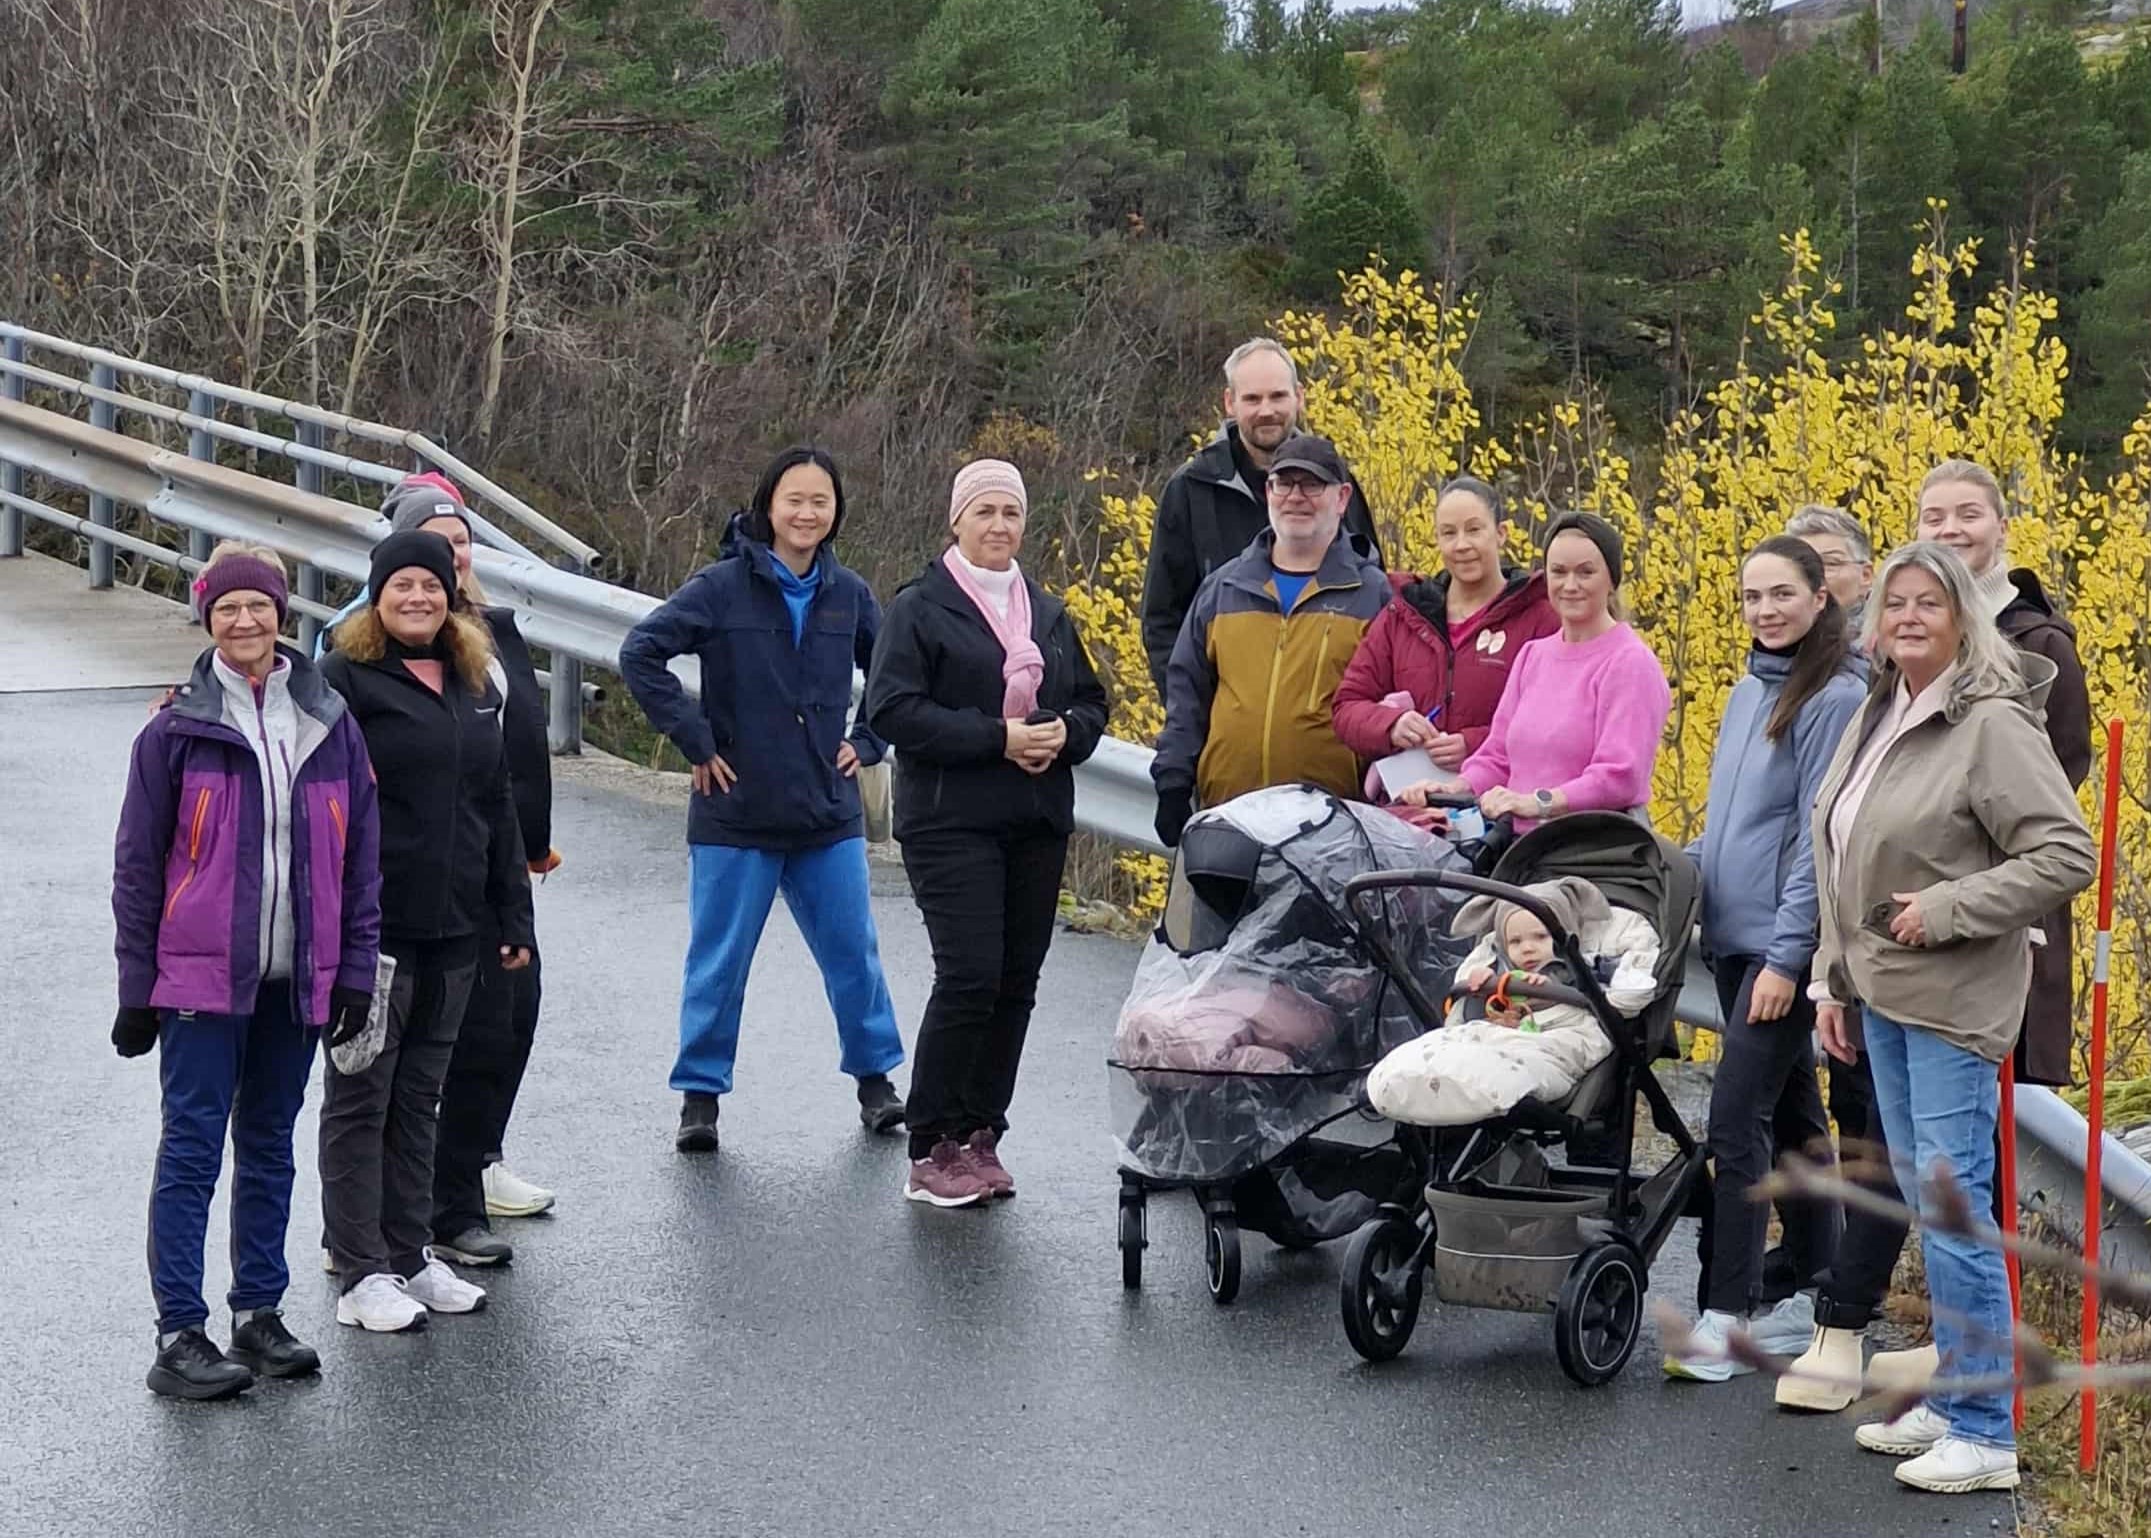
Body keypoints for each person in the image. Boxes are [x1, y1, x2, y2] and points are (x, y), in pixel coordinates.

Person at [1808, 541, 2093, 1494]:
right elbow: (1840, 852)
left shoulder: (1991, 723)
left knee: (1953, 1203)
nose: (1910, 618)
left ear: (1964, 616)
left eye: (1931, 602)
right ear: (1875, 623)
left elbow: (2062, 854)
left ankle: (1985, 1433)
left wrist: (1947, 909)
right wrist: (1831, 979)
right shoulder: (1880, 709)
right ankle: (1957, 1392)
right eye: (1895, 605)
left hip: (1951, 999)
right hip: (1881, 995)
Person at [112, 542, 381, 1399]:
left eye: (257, 605)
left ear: (282, 612)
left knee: (269, 1144)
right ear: (207, 618)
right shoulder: (174, 730)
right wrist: (135, 985)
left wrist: (352, 971)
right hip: (198, 978)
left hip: (296, 976)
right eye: (226, 607)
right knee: (192, 1150)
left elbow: (361, 858)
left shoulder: (329, 722)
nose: (243, 620)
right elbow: (138, 866)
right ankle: (179, 1332)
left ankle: (257, 1313)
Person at [618, 447, 907, 1155]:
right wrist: (695, 739)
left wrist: (867, 741)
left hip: (823, 813)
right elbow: (641, 652)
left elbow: (897, 675)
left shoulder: (851, 595)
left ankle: (877, 1085)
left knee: (853, 956)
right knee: (718, 962)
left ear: (836, 512)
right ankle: (700, 1099)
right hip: (735, 811)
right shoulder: (720, 587)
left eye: (820, 501)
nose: (807, 513)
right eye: (794, 500)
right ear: (766, 505)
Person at [862, 458, 1108, 1207]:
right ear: (956, 521)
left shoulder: (1048, 609)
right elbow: (892, 711)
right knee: (968, 974)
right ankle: (932, 1143)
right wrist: (995, 738)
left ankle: (980, 1135)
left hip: (1034, 821)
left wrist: (1064, 732)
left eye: (1011, 513)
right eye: (985, 512)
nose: (999, 526)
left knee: (1014, 984)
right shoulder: (920, 606)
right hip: (949, 819)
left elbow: (1095, 706)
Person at [318, 531, 535, 1331]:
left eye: (432, 586)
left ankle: (410, 1255)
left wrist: (512, 911)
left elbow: (496, 803)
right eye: (402, 585)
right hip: (371, 929)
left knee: (420, 1097)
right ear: (377, 596)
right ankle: (357, 1266)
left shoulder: (473, 679)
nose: (418, 598)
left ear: (451, 595)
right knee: (359, 1096)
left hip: (457, 927)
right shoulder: (342, 679)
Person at [1665, 537, 1865, 1383]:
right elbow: (1735, 825)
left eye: (1781, 594)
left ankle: (1727, 1310)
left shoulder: (1834, 697)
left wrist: (1790, 960)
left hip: (1780, 955)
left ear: (1821, 598)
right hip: (1733, 941)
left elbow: (1816, 849)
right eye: (1750, 597)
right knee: (1793, 1123)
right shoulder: (1750, 690)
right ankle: (1814, 1291)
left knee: (1733, 1118)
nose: (1764, 610)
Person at [1150, 433, 1389, 848]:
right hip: (1227, 817)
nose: (1296, 496)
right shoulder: (1223, 588)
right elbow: (1186, 692)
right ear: (1269, 492)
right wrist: (1173, 780)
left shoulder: (1374, 596)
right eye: (1284, 483)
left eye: (1312, 484)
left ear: (1342, 497)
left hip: (1331, 833)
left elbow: (1390, 709)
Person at [1400, 512, 1669, 833]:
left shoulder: (1630, 663)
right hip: (1520, 847)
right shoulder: (1533, 655)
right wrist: (1457, 787)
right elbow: (1497, 757)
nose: (1570, 585)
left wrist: (1536, 802)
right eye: (1559, 572)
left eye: (1585, 572)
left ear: (1611, 579)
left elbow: (1620, 776)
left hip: (1590, 853)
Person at [1140, 339, 1381, 695]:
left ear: (1299, 396)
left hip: (1327, 720)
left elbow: (1374, 597)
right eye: (1252, 399)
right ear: (1229, 403)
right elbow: (1162, 619)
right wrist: (1191, 713)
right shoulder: (1192, 489)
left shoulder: (1336, 484)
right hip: (1225, 723)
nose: (1266, 410)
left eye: (1278, 396)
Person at [1331, 476, 1560, 784]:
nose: (1462, 544)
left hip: (1503, 812)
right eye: (1449, 533)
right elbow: (1347, 707)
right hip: (1410, 813)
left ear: (1501, 533)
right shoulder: (1402, 615)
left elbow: (1555, 722)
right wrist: (1391, 725)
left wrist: (1476, 744)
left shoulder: (1540, 619)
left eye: (1474, 530)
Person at [1785, 505, 1876, 622]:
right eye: (1802, 564)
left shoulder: (1891, 635)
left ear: (1865, 575)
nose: (1814, 575)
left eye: (1830, 563)